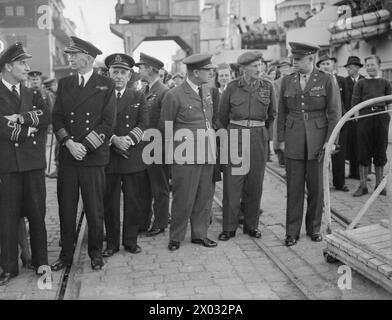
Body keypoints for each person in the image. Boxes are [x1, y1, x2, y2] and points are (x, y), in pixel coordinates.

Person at [51, 36, 116, 271]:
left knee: (94, 208)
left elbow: (108, 122)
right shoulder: (65, 83)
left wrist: (85, 146)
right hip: (69, 157)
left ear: (87, 59)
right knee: (66, 209)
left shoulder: (105, 85)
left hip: (92, 157)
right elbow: (56, 116)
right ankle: (66, 255)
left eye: (74, 55)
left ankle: (95, 253)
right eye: (69, 55)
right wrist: (69, 143)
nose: (70, 59)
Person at [277, 42, 341, 247]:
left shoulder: (326, 79)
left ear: (310, 59)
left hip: (318, 141)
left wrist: (330, 142)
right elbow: (282, 113)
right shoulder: (287, 81)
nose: (294, 63)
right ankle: (291, 232)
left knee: (316, 188)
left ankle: (314, 228)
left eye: (298, 60)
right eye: (293, 59)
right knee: (294, 188)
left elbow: (334, 113)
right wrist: (280, 141)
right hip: (294, 139)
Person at [0, 43, 50, 285]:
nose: (27, 68)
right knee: (7, 218)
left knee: (38, 216)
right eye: (22, 63)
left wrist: (20, 120)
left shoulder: (32, 93)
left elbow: (46, 116)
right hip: (7, 166)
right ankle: (9, 267)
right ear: (8, 66)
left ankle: (41, 262)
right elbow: (0, 126)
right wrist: (29, 129)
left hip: (32, 165)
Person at [160, 53, 218, 251]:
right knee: (183, 198)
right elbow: (166, 129)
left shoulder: (207, 91)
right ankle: (176, 237)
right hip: (184, 156)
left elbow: (208, 119)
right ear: (195, 72)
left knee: (204, 196)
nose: (211, 73)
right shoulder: (174, 95)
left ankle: (199, 234)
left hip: (206, 152)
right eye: (207, 70)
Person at [218, 51, 276, 241]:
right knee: (233, 184)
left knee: (255, 184)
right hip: (235, 136)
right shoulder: (233, 88)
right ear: (243, 69)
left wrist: (262, 134)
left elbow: (272, 115)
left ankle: (252, 225)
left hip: (258, 138)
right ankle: (229, 227)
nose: (259, 69)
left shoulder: (267, 87)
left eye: (260, 65)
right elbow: (222, 116)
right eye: (254, 66)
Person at [102, 53, 149, 257]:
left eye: (123, 72)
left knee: (133, 201)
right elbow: (97, 123)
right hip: (109, 156)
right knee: (110, 202)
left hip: (132, 156)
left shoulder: (138, 96)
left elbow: (143, 123)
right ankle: (111, 243)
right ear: (108, 74)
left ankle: (130, 240)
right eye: (115, 72)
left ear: (129, 76)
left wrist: (127, 140)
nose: (119, 76)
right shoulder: (101, 97)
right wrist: (114, 140)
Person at [135, 53, 170, 237]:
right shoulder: (144, 91)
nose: (138, 70)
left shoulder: (164, 92)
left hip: (157, 149)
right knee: (143, 188)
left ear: (149, 68)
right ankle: (143, 222)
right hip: (143, 149)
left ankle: (160, 222)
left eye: (140, 67)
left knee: (159, 187)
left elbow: (165, 124)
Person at [351, 55, 392, 197]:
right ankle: (362, 186)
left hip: (381, 118)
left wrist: (387, 118)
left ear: (378, 65)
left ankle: (380, 185)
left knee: (380, 150)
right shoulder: (360, 83)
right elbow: (355, 103)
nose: (370, 67)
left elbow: (389, 102)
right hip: (364, 118)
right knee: (363, 151)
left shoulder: (385, 82)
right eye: (367, 65)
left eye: (372, 64)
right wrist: (358, 119)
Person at [317, 55, 349, 192]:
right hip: (322, 123)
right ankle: (322, 182)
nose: (325, 66)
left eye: (328, 63)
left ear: (333, 65)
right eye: (322, 64)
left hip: (340, 122)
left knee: (339, 155)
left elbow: (347, 100)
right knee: (323, 153)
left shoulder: (341, 80)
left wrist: (346, 118)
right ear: (319, 66)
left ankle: (339, 183)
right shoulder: (317, 81)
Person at [343, 56, 364, 180]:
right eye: (347, 67)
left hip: (363, 117)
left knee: (362, 144)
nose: (348, 69)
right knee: (351, 144)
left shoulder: (364, 80)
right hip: (349, 118)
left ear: (357, 68)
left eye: (351, 67)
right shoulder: (344, 81)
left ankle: (363, 172)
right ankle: (352, 172)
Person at [273, 58, 292, 167]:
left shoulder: (294, 80)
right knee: (279, 134)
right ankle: (281, 158)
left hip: (292, 112)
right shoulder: (276, 83)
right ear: (279, 70)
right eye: (282, 67)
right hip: (280, 111)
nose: (285, 69)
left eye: (287, 67)